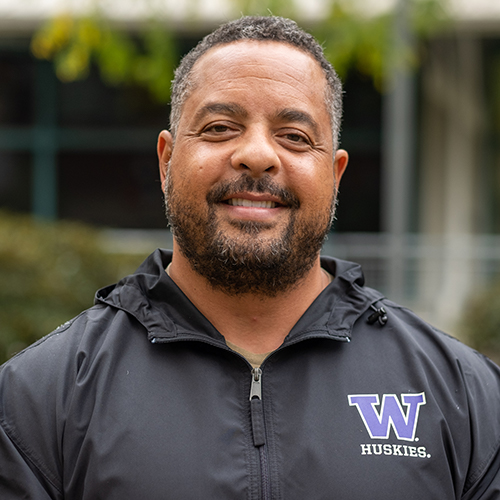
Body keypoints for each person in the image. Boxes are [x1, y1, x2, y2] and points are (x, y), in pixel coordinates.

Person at [1, 15, 500, 500]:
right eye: (220, 128)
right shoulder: (36, 402)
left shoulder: (467, 398)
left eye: (295, 137)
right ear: (166, 162)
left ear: (335, 174)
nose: (258, 154)